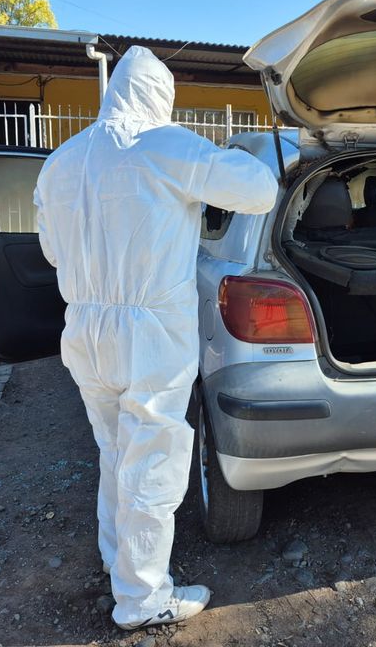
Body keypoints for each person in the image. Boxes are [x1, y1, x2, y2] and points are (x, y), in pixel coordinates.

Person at [33, 46, 278, 629]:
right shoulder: (167, 146)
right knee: (153, 460)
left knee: (116, 453)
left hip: (86, 332)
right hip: (150, 334)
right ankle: (142, 601)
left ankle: (123, 567)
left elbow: (49, 250)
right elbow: (261, 191)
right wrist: (216, 159)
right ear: (159, 95)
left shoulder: (61, 162)